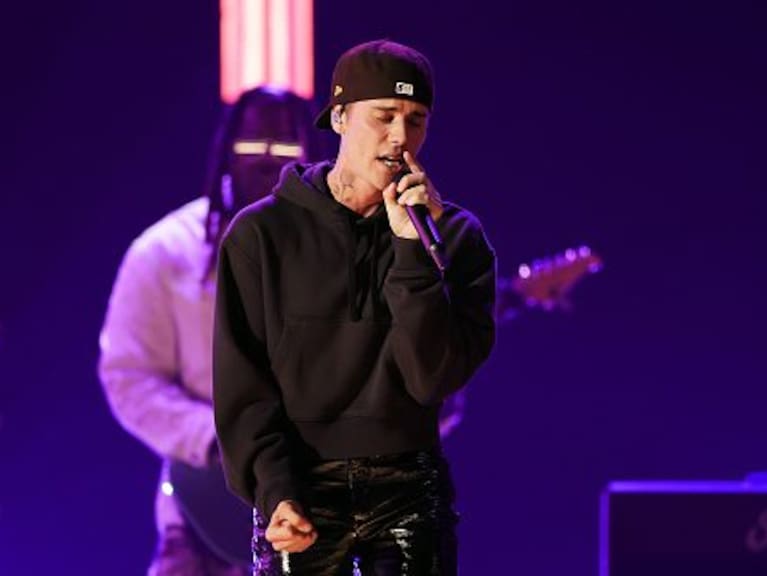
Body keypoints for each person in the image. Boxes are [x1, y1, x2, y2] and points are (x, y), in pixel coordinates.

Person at [213, 39, 497, 575]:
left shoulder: (454, 238)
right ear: (339, 117)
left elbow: (431, 378)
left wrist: (411, 252)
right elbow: (242, 386)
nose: (400, 137)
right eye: (384, 116)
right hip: (301, 486)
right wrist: (275, 493)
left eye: (416, 120)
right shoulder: (260, 235)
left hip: (408, 487)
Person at [98, 86, 321, 576]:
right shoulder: (163, 254)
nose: (267, 163)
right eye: (252, 149)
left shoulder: (341, 259)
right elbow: (129, 377)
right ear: (225, 151)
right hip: (203, 518)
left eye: (283, 150)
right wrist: (216, 438)